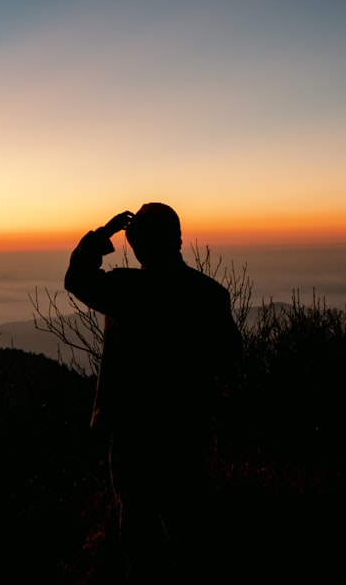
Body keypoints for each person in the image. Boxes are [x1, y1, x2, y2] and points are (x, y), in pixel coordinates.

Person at [64, 203, 241, 582]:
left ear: (137, 245)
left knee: (140, 534)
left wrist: (101, 235)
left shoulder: (127, 288)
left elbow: (77, 278)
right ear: (177, 240)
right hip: (185, 427)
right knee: (188, 527)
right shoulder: (210, 294)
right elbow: (228, 358)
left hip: (133, 431)